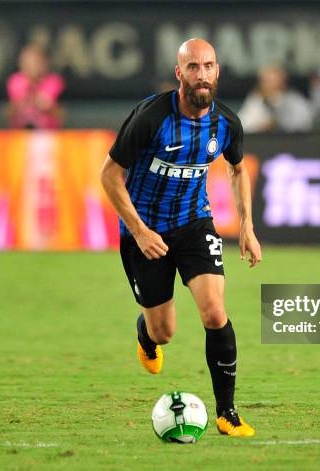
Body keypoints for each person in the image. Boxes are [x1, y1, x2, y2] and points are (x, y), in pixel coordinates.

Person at [100, 38, 262, 437]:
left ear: (217, 71)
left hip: (194, 223)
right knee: (164, 331)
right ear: (179, 74)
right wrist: (139, 230)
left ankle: (227, 412)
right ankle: (145, 335)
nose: (201, 75)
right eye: (193, 67)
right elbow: (109, 174)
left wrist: (246, 227)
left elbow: (238, 169)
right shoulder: (151, 118)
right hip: (146, 230)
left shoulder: (226, 122)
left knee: (213, 311)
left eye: (208, 66)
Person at [238, 64, 314, 133]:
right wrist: (261, 125)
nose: (273, 84)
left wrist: (280, 124)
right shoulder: (255, 100)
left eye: (276, 80)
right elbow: (242, 125)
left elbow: (306, 122)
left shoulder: (294, 99)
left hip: (290, 142)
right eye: (269, 81)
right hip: (261, 142)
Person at [6, 44, 65, 129]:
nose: (32, 66)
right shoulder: (14, 81)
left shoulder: (55, 81)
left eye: (35, 62)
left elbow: (62, 114)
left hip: (49, 135)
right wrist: (19, 104)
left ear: (45, 63)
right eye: (27, 62)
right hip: (20, 136)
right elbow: (8, 113)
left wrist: (47, 107)